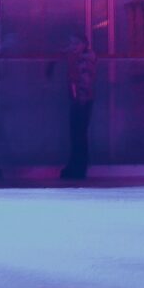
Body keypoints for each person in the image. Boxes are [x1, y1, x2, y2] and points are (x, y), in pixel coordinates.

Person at [50, 32, 97, 181]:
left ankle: (79, 167)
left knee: (79, 134)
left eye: (76, 43)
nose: (73, 47)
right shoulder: (79, 57)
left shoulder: (85, 58)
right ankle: (75, 165)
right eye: (71, 43)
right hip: (78, 99)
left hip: (82, 100)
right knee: (76, 134)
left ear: (84, 44)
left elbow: (82, 78)